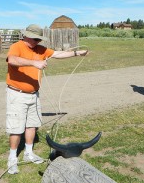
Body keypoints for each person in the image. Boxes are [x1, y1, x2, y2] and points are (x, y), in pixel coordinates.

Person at [6, 24, 88, 174]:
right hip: (17, 94)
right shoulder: (16, 46)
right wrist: (34, 63)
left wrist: (77, 53)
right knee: (16, 128)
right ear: (27, 35)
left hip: (34, 94)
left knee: (32, 125)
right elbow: (12, 60)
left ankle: (29, 153)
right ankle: (12, 159)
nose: (37, 42)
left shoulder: (40, 49)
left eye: (39, 39)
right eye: (35, 39)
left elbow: (57, 54)